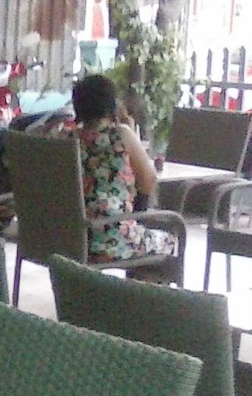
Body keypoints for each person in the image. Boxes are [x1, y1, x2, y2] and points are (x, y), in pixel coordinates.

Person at [64, 74, 176, 262]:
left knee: (140, 232)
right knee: (170, 240)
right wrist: (130, 131)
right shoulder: (121, 134)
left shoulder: (67, 139)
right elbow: (148, 181)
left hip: (69, 240)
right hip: (110, 241)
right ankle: (139, 280)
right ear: (111, 105)